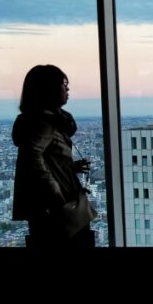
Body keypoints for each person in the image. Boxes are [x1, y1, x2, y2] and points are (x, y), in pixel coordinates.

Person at [12, 64, 96, 249]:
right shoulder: (43, 122)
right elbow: (31, 157)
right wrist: (54, 192)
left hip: (51, 205)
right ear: (48, 89)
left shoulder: (38, 120)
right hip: (59, 205)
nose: (68, 89)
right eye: (63, 84)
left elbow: (42, 158)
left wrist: (69, 167)